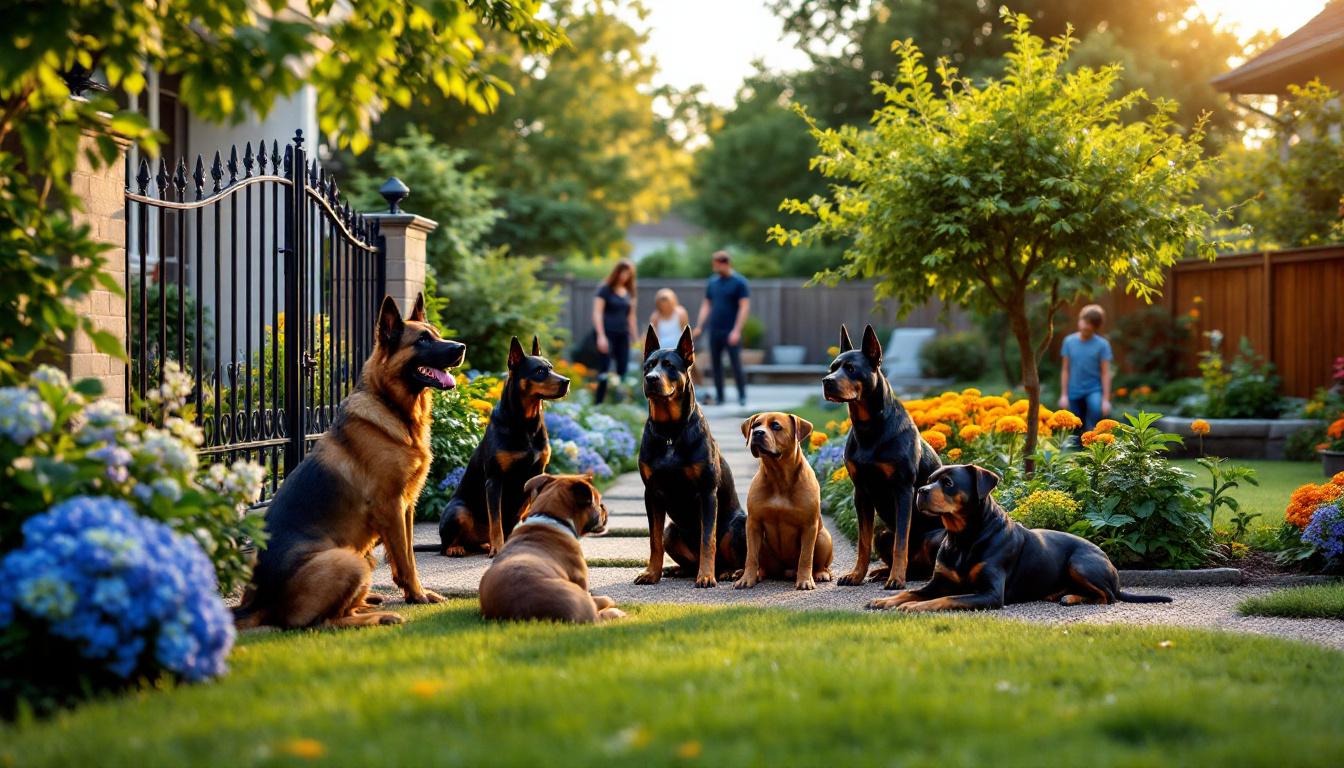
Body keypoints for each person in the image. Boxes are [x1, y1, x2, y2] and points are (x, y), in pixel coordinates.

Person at [693, 251, 750, 406]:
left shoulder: (739, 282)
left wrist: (737, 330)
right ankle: (720, 397)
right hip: (714, 330)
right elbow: (706, 305)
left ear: (725, 263)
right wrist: (700, 325)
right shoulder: (713, 283)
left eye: (717, 265)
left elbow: (744, 307)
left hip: (731, 331)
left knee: (735, 364)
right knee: (716, 365)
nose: (715, 268)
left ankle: (742, 395)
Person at [1057, 304, 1113, 434]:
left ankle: (1091, 445)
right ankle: (1075, 451)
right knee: (1074, 426)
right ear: (1079, 320)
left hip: (1093, 389)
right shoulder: (1069, 342)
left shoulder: (1102, 345)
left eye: (1090, 324)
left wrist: (1105, 400)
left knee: (1095, 412)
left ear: (1096, 327)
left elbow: (1105, 373)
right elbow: (1065, 370)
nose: (1085, 326)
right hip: (1073, 390)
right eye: (1084, 321)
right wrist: (1064, 395)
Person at [592, 259, 637, 404]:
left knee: (622, 370)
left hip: (623, 335)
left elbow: (631, 316)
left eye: (628, 274)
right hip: (606, 333)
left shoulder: (629, 292)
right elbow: (597, 313)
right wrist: (601, 336)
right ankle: (598, 404)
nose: (624, 276)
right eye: (622, 273)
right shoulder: (605, 289)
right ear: (616, 272)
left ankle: (619, 404)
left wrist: (635, 338)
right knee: (604, 370)